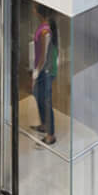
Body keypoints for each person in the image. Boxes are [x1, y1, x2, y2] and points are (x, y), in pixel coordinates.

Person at [30, 13, 59, 145]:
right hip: (46, 70)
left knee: (46, 101)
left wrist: (35, 74)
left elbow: (42, 57)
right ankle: (44, 125)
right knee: (38, 95)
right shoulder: (46, 27)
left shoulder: (45, 31)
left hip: (45, 71)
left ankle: (50, 135)